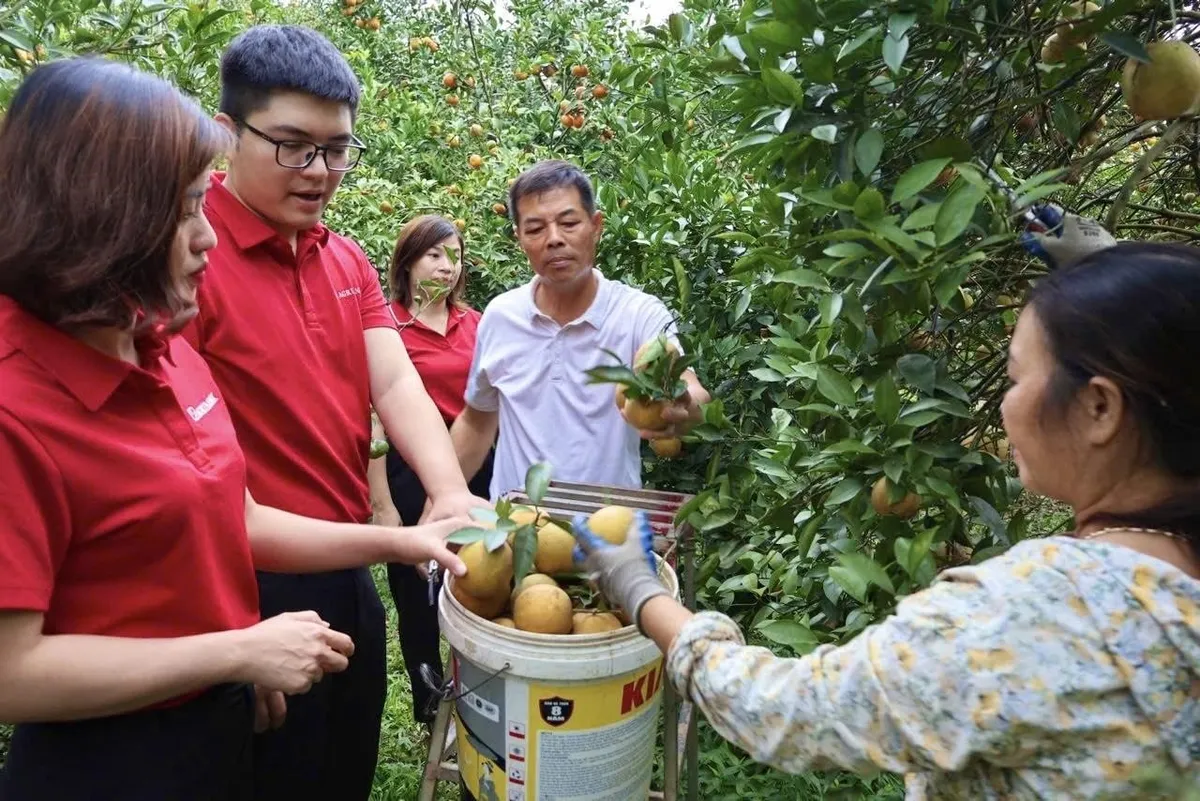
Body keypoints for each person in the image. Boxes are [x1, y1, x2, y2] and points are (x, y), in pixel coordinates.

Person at [570, 233, 1200, 798]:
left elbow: (788, 713)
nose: (1005, 407)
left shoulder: (1042, 613)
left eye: (1015, 378)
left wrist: (636, 586)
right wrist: (1144, 302)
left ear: (1099, 409)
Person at [0, 58, 468, 801]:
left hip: (238, 669)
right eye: (185, 208)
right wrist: (235, 646)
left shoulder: (159, 348)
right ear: (99, 211)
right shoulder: (27, 394)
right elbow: (12, 669)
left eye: (336, 148)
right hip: (122, 741)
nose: (205, 236)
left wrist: (410, 529)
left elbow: (232, 514)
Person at [179, 25, 487, 801]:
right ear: (226, 134)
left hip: (348, 567)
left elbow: (396, 382)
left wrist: (449, 491)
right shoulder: (190, 258)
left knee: (343, 760)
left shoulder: (343, 258)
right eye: (292, 145)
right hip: (241, 581)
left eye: (337, 148)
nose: (319, 171)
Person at [450, 159, 711, 501]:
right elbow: (477, 421)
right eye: (535, 229)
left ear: (596, 225)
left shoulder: (638, 314)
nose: (554, 239)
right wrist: (440, 500)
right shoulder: (501, 317)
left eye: (569, 223)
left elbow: (693, 391)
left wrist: (685, 407)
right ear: (519, 239)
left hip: (611, 531)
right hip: (518, 533)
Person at [368, 215, 495, 729]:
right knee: (417, 592)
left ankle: (486, 700)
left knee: (483, 578)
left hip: (477, 467)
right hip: (409, 468)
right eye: (434, 255)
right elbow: (372, 415)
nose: (447, 265)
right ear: (408, 263)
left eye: (454, 255)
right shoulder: (387, 328)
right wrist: (383, 505)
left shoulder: (478, 323)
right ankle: (429, 708)